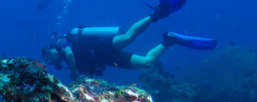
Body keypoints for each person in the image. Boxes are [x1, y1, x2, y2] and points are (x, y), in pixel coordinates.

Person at [41, 0, 216, 80]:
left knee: (128, 37)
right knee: (146, 63)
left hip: (100, 47)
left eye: (47, 55)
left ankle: (158, 13)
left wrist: (73, 74)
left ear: (51, 48)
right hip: (107, 60)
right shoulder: (67, 61)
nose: (49, 60)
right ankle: (169, 40)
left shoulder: (61, 42)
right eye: (47, 61)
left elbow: (70, 54)